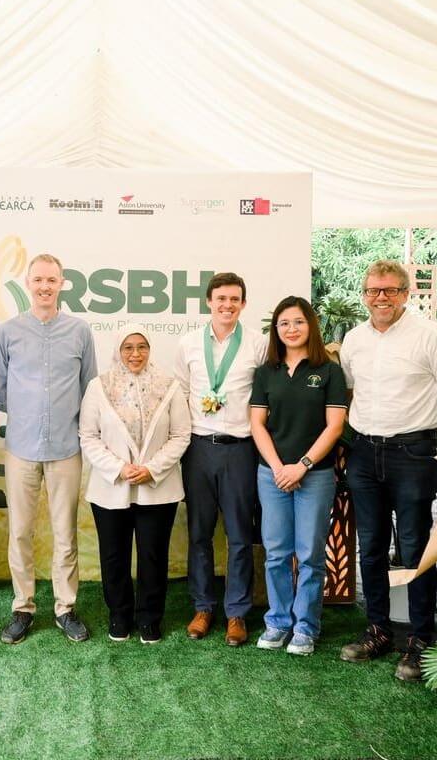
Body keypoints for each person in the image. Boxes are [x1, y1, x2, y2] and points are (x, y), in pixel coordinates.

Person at [339, 259, 437, 681]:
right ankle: (378, 630)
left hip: (412, 454)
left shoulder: (432, 336)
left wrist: (425, 442)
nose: (381, 298)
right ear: (364, 294)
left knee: (415, 548)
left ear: (406, 294)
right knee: (371, 546)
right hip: (362, 452)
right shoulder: (354, 339)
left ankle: (420, 639)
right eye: (374, 290)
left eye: (390, 290)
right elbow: (353, 393)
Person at [0, 253, 98, 644]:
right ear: (28, 283)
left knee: (66, 532)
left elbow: (90, 388)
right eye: (38, 280)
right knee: (19, 531)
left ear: (62, 283)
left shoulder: (80, 331)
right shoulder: (7, 332)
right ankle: (23, 607)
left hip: (67, 448)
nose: (45, 286)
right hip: (20, 448)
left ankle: (65, 607)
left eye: (52, 280)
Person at [79, 328, 191, 644]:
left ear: (150, 349)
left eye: (142, 346)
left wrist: (151, 469)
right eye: (128, 347)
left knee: (153, 555)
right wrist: (119, 469)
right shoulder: (98, 387)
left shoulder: (169, 386)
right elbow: (88, 435)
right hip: (110, 487)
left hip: (158, 487)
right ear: (118, 350)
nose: (136, 353)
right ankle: (119, 615)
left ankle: (149, 618)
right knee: (113, 556)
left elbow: (181, 435)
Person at [174, 272, 267, 646]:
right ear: (208, 302)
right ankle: (202, 606)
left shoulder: (257, 346)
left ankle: (237, 613)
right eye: (221, 299)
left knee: (240, 536)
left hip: (241, 449)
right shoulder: (188, 344)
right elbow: (180, 393)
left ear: (243, 304)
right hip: (198, 448)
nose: (227, 305)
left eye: (235, 299)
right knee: (199, 533)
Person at [250, 297, 346, 655]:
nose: (292, 329)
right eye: (284, 323)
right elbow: (257, 425)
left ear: (311, 326)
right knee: (276, 553)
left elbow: (335, 426)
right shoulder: (266, 372)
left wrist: (302, 465)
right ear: (276, 330)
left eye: (298, 322)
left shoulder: (329, 371)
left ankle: (306, 626)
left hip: (315, 476)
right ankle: (277, 621)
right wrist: (278, 468)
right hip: (271, 475)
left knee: (309, 555)